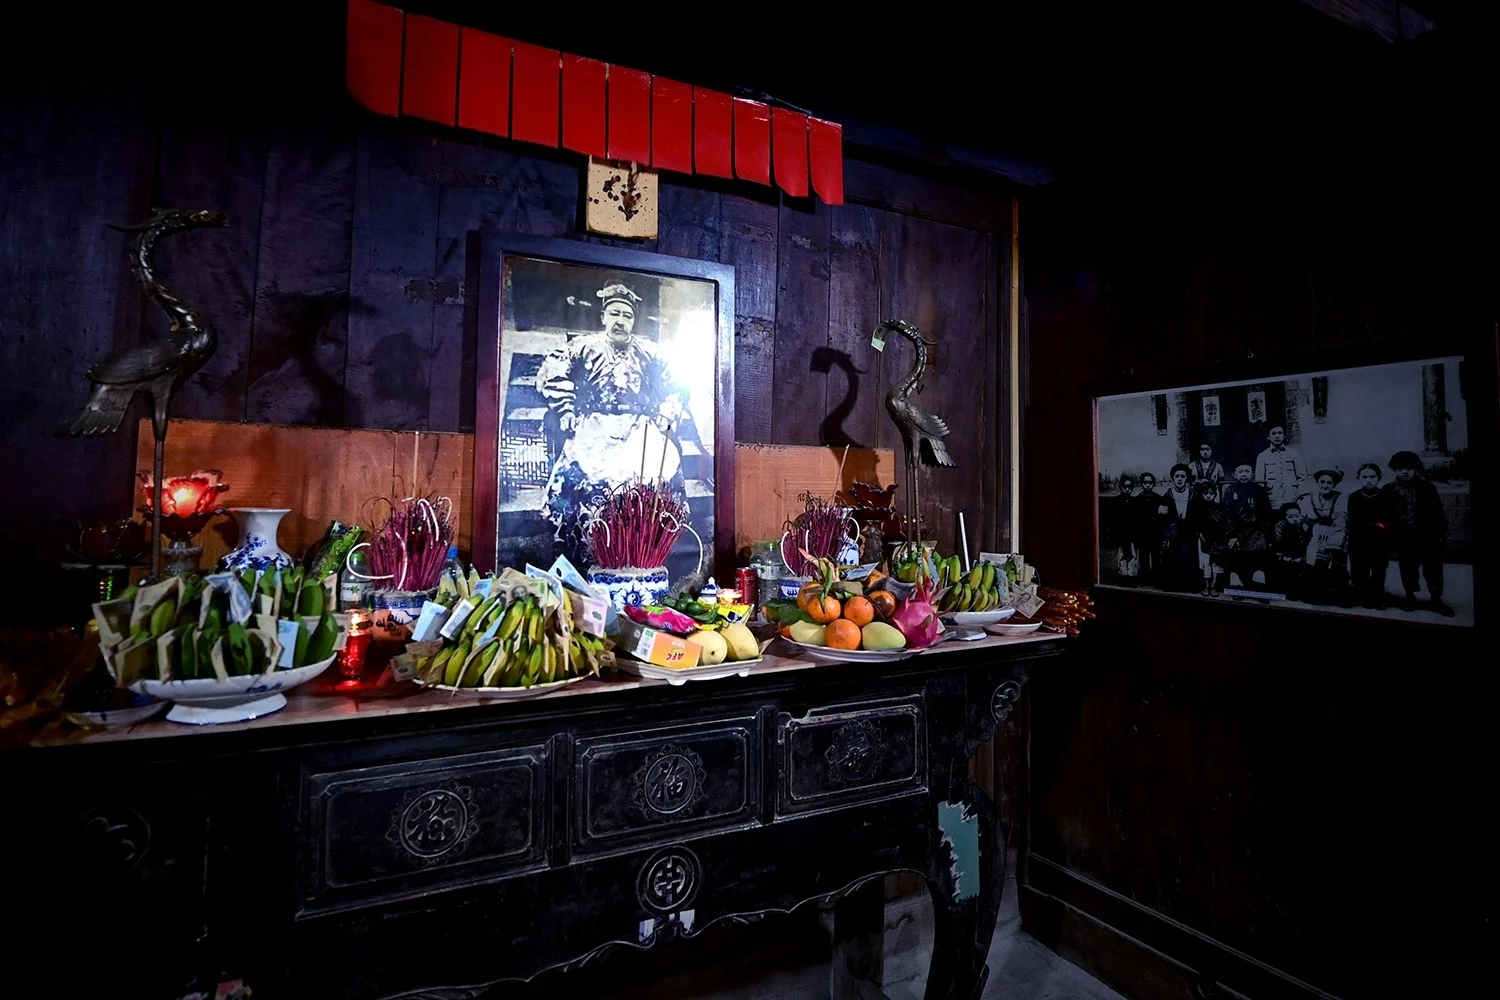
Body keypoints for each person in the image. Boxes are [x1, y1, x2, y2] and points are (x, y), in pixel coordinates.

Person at [536, 283, 690, 551]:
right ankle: (590, 546)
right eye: (615, 314)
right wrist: (566, 408)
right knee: (581, 472)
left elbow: (678, 384)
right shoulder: (583, 347)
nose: (621, 321)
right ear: (603, 317)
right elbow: (552, 372)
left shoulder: (650, 351)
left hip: (638, 426)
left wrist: (667, 413)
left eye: (627, 316)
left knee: (658, 470)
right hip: (595, 425)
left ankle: (643, 547)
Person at [1381, 451, 1453, 616]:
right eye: (1400, 469)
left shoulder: (1427, 488)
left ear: (1416, 469)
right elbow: (1385, 516)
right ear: (1394, 470)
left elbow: (1438, 513)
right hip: (1404, 537)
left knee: (1433, 567)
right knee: (1407, 567)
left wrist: (1441, 535)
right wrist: (1388, 536)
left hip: (1428, 536)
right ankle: (1410, 596)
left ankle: (1436, 598)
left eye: (1408, 468)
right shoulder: (1389, 489)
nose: (1404, 472)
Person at [1346, 463, 1395, 610]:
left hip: (1380, 540)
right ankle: (1363, 594)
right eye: (1364, 477)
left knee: (1379, 569)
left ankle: (1378, 596)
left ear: (1379, 478)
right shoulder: (1354, 497)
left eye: (1372, 477)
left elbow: (1387, 520)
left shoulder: (1385, 497)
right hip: (1359, 540)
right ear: (1358, 479)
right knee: (1360, 568)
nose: (1368, 480)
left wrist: (1376, 526)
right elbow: (1354, 521)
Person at [1296, 469, 1349, 603]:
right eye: (1322, 482)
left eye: (1329, 483)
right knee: (1312, 559)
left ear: (1334, 485)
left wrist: (1333, 540)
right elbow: (1303, 519)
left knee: (1334, 558)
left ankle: (1334, 591)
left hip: (1333, 533)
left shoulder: (1340, 498)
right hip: (1314, 533)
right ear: (1318, 482)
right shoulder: (1308, 498)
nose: (1325, 485)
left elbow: (1341, 521)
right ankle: (1313, 590)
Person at [1221, 462, 1272, 598]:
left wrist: (1263, 532)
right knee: (1237, 559)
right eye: (1241, 471)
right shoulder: (1230, 490)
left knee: (1258, 558)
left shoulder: (1259, 490)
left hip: (1256, 531)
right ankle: (1238, 588)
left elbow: (1266, 513)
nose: (1244, 474)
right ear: (1235, 474)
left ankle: (1259, 590)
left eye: (1247, 471)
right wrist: (1232, 534)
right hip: (1237, 532)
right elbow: (1226, 514)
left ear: (1252, 474)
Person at [1155, 465, 1199, 591]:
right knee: (1172, 558)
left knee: (1187, 557)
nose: (1180, 479)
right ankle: (1172, 586)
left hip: (1188, 532)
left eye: (1182, 476)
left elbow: (1197, 515)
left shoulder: (1193, 495)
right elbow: (1162, 519)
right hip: (1172, 533)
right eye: (1177, 476)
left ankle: (1188, 586)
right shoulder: (1167, 496)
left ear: (1187, 478)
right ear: (1173, 478)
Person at [1254, 425, 1306, 509]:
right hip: (1273, 500)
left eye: (1280, 433)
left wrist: (1298, 495)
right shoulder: (1262, 456)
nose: (1277, 436)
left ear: (1284, 435)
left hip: (1292, 498)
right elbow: (1260, 483)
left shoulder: (1293, 454)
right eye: (1273, 433)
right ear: (1268, 437)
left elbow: (1302, 478)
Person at [1192, 478, 1226, 597]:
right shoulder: (1198, 508)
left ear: (1215, 494)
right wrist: (1199, 533)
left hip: (1218, 539)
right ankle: (1206, 585)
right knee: (1205, 562)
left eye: (1211, 494)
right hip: (1204, 539)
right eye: (1205, 493)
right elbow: (1196, 523)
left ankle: (1215, 585)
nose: (1208, 496)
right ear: (1201, 494)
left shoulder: (1220, 507)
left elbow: (1224, 523)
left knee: (1217, 563)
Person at [1102, 475, 1139, 582]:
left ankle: (1132, 576)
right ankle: (1123, 575)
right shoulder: (1114, 502)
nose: (1127, 489)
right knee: (1121, 555)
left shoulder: (1135, 501)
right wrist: (1110, 532)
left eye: (1130, 486)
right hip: (1120, 534)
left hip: (1132, 534)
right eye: (1125, 486)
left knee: (1132, 555)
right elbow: (1110, 519)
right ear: (1120, 486)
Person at [1271, 503, 1311, 599]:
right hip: (1284, 556)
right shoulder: (1280, 528)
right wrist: (1286, 558)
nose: (1295, 519)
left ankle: (1300, 588)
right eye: (1290, 517)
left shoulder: (1301, 526)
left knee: (1303, 570)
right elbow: (1277, 546)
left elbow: (1305, 541)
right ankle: (1287, 590)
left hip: (1299, 555)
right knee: (1286, 572)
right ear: (1284, 518)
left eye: (1297, 516)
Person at [1133, 472, 1161, 583]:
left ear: (1153, 484)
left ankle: (1156, 576)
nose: (1148, 485)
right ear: (1141, 484)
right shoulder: (1137, 500)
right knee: (1143, 555)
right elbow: (1135, 519)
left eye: (1150, 482)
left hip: (1155, 533)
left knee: (1156, 555)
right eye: (1145, 483)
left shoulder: (1159, 498)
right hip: (1142, 533)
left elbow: (1162, 518)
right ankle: (1144, 576)